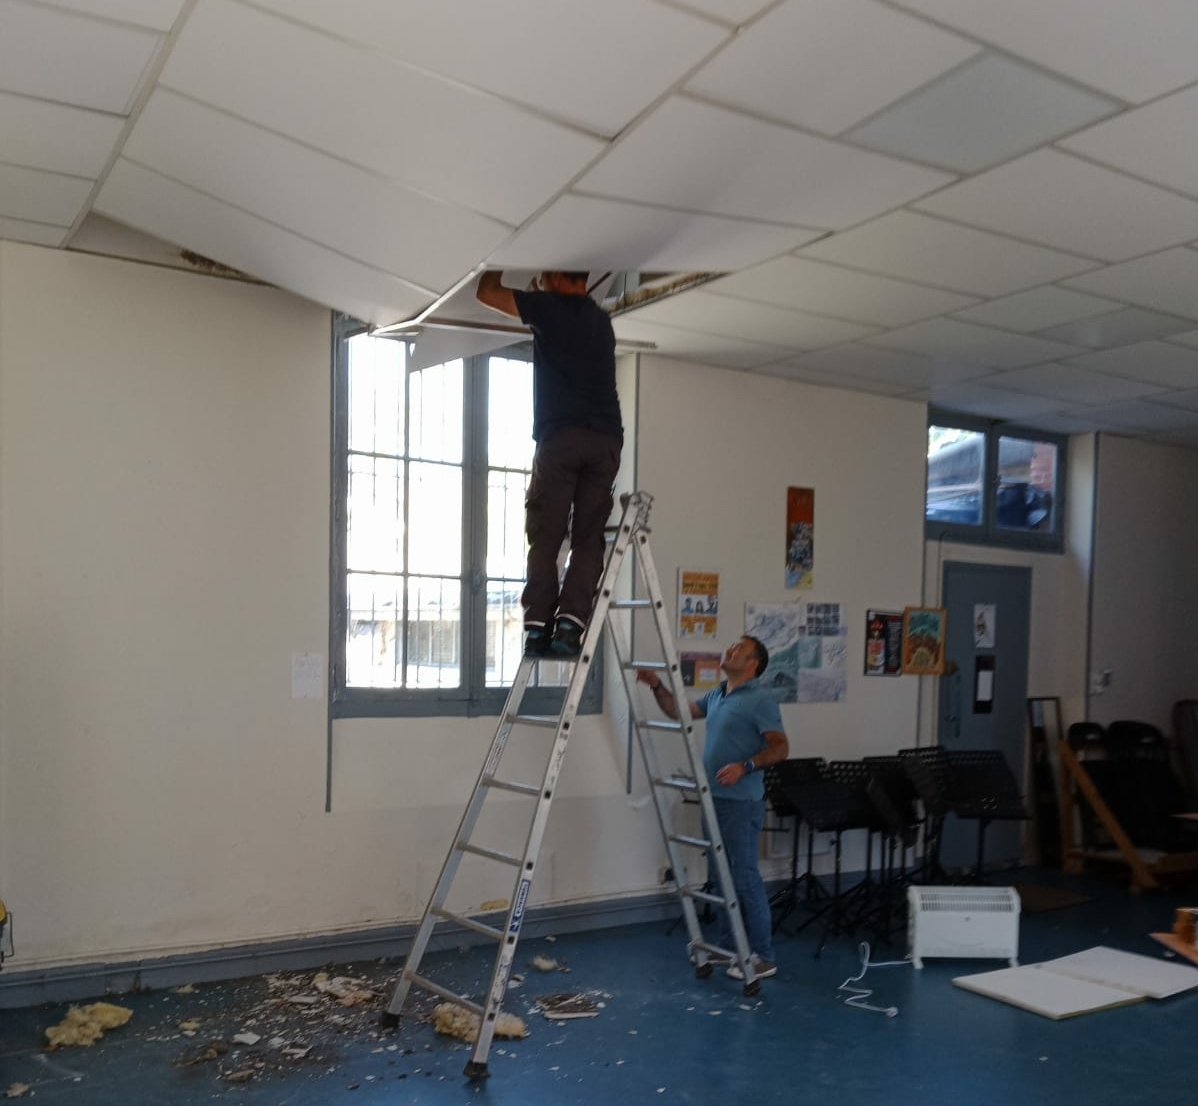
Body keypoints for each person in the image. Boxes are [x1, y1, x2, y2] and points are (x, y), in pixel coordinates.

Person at [476, 270, 622, 658]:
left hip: (561, 439)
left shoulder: (549, 309)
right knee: (589, 537)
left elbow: (486, 292)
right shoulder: (601, 321)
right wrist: (543, 288)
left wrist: (504, 257)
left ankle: (538, 627)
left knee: (547, 534)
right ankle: (570, 627)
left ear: (556, 277)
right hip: (606, 440)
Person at [636, 635, 789, 979]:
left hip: (741, 804)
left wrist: (745, 766)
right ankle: (727, 948)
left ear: (753, 665)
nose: (730, 651)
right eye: (732, 646)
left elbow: (780, 748)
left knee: (745, 877)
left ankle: (764, 956)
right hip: (713, 799)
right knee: (719, 877)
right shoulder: (720, 694)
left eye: (739, 650)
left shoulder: (761, 699)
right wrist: (657, 685)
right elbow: (679, 711)